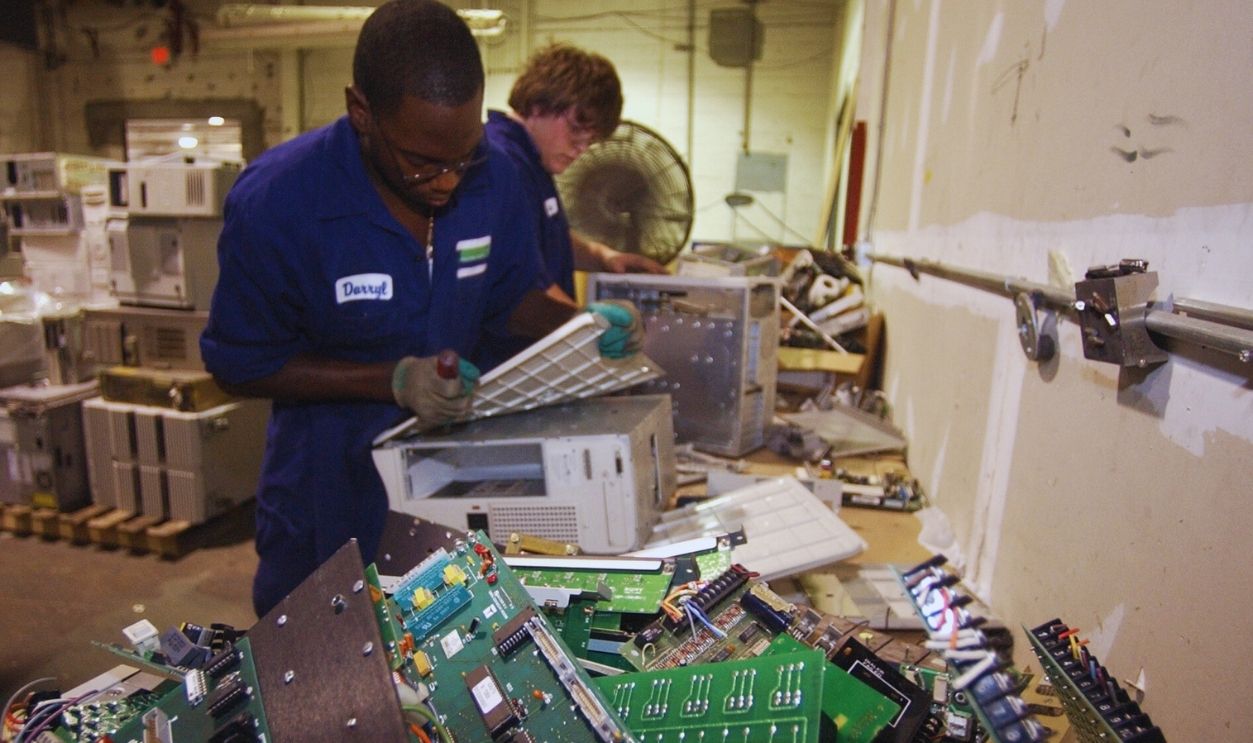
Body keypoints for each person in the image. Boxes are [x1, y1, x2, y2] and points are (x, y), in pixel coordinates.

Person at [200, 0, 640, 617]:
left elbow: (509, 299)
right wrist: (392, 380)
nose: (448, 183)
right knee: (325, 677)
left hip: (455, 485)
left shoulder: (496, 179)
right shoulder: (281, 202)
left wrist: (581, 326)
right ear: (362, 113)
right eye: (423, 163)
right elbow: (239, 364)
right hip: (327, 496)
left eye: (463, 157)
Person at [479, 43, 666, 366]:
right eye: (577, 129)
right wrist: (593, 332)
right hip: (502, 360)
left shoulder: (533, 160)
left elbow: (543, 237)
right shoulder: (502, 161)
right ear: (539, 105)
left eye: (590, 140)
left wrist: (602, 256)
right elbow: (526, 290)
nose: (581, 147)